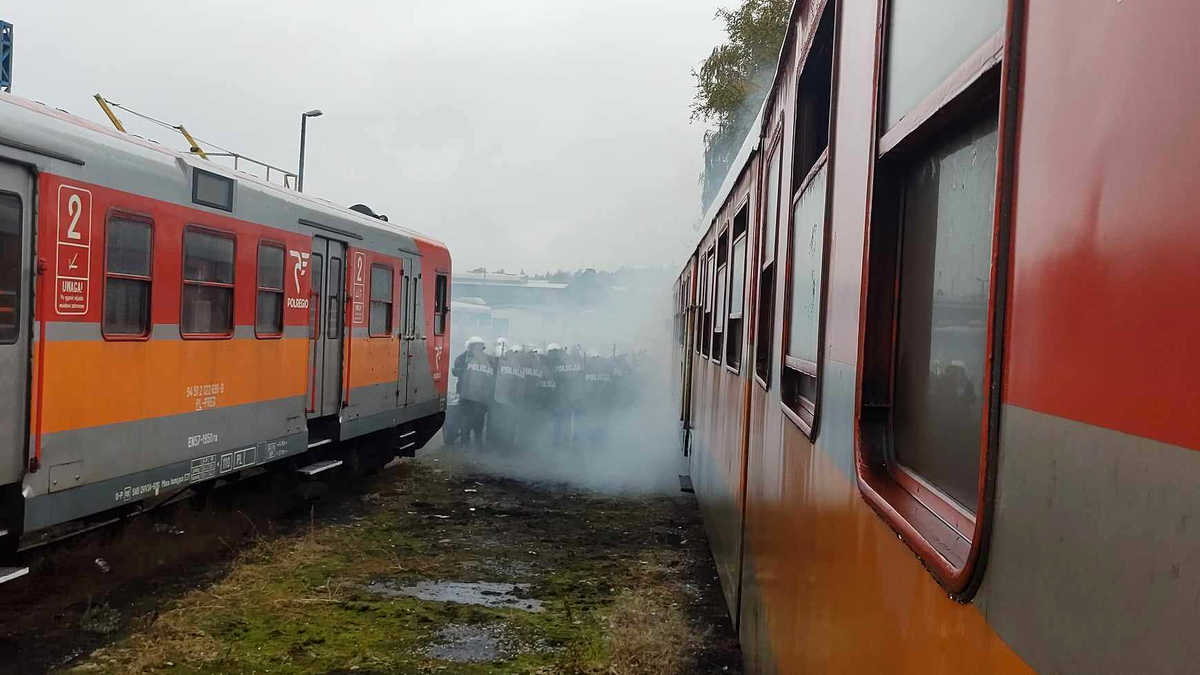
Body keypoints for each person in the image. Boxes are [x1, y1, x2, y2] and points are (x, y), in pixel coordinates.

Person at [452, 336, 493, 447]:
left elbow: (493, 376)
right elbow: (456, 372)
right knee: (467, 420)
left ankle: (475, 444)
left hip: (479, 397)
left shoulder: (488, 359)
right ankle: (467, 442)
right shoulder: (462, 358)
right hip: (468, 396)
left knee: (476, 420)